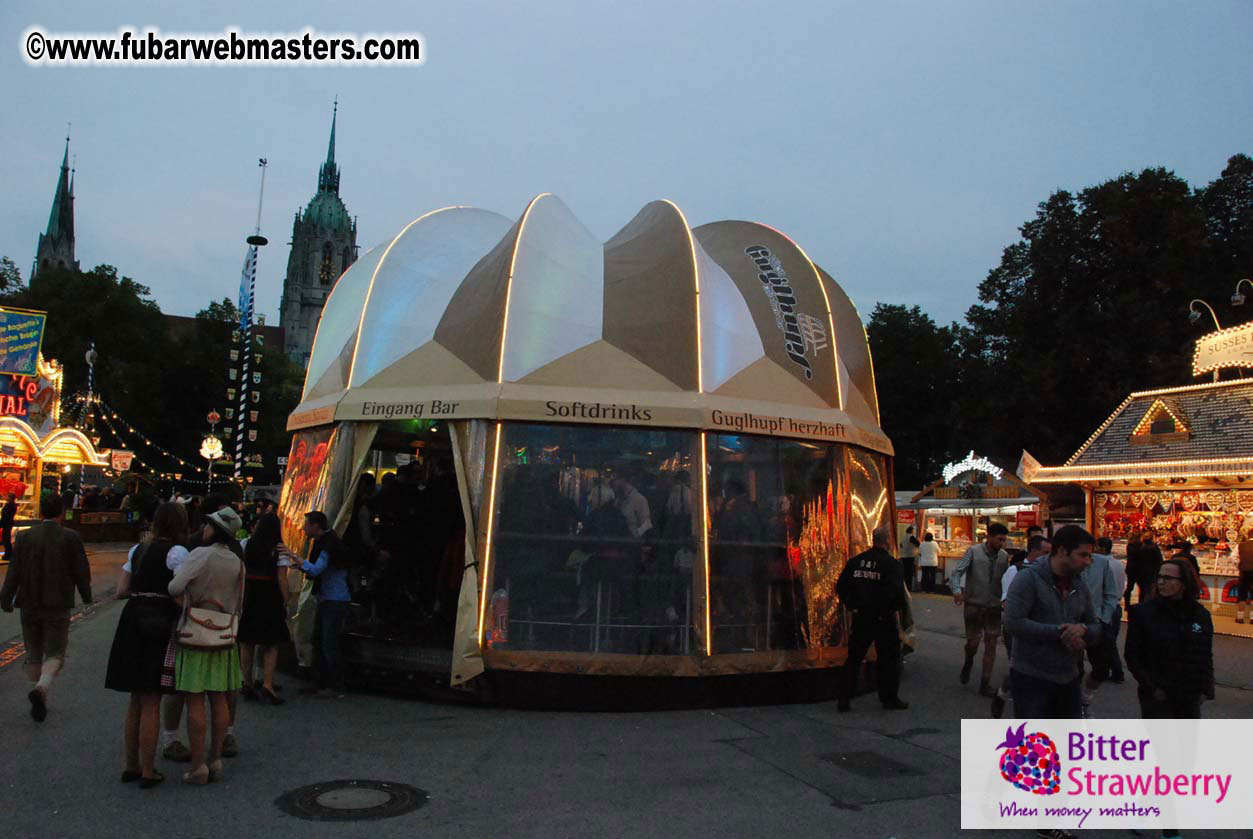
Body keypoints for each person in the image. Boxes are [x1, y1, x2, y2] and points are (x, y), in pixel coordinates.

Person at [1124, 557, 1214, 839]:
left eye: (1169, 578)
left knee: (1184, 761)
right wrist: (1153, 686)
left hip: (1188, 695)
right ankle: (1170, 828)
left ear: (1184, 583)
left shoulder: (1200, 615)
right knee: (1167, 761)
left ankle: (1144, 806)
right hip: (1157, 697)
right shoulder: (1144, 613)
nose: (1162, 582)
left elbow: (1205, 654)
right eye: (1160, 577)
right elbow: (1133, 657)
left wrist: (1205, 688)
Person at [104, 502, 190, 788]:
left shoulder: (137, 550)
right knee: (152, 697)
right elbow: (181, 592)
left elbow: (121, 590)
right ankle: (149, 770)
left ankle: (131, 765)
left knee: (135, 698)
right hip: (159, 621)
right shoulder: (177, 553)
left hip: (132, 619)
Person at [161, 494, 244, 763]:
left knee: (194, 696)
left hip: (195, 631)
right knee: (219, 696)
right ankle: (216, 758)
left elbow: (174, 587)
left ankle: (198, 764)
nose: (204, 528)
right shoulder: (236, 561)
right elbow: (239, 601)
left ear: (214, 529)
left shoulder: (200, 554)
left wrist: (188, 597)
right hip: (223, 632)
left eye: (209, 524)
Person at [0, 494, 91, 722]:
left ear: (41, 512)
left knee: (33, 652)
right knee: (55, 652)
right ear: (62, 512)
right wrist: (86, 595)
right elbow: (81, 570)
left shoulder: (24, 537)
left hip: (29, 602)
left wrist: (6, 598)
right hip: (58, 603)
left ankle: (37, 691)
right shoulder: (71, 537)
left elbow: (14, 571)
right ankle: (42, 688)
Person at [1004, 525, 1099, 719]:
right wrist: (1060, 632)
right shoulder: (1028, 579)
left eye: (1090, 556)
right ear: (1063, 551)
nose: (1088, 562)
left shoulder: (1080, 585)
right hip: (1032, 678)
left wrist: (1083, 630)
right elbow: (1013, 622)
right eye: (1083, 555)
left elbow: (1094, 625)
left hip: (1069, 677)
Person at [835, 526, 907, 712]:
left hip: (862, 617)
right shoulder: (892, 565)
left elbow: (841, 586)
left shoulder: (856, 562)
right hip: (884, 618)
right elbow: (895, 593)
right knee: (888, 660)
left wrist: (852, 605)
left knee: (854, 658)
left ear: (873, 540)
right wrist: (893, 611)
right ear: (888, 541)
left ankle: (844, 698)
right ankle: (889, 698)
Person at [293, 511, 351, 697]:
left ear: (316, 526)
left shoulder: (327, 546)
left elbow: (317, 569)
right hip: (330, 597)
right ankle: (322, 682)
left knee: (328, 643)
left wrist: (298, 560)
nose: (304, 528)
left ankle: (335, 684)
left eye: (307, 525)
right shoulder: (329, 542)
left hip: (334, 598)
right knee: (320, 641)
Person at [990, 537, 1048, 718]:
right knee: (1019, 666)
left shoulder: (1049, 572)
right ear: (1033, 551)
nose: (1048, 556)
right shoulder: (1015, 570)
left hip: (1041, 627)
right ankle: (1004, 693)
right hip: (1019, 627)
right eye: (1045, 552)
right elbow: (1006, 601)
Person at [237, 512, 291, 705]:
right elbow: (282, 578)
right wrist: (287, 600)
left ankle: (247, 682)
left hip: (250, 594)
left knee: (247, 641)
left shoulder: (246, 544)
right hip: (270, 595)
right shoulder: (279, 549)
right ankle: (268, 684)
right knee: (271, 642)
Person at [949, 522, 1009, 697]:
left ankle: (985, 683)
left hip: (994, 606)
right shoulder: (973, 552)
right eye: (999, 539)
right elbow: (957, 572)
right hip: (974, 604)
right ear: (989, 537)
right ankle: (969, 659)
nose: (1002, 543)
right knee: (973, 642)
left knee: (991, 644)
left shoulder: (1003, 556)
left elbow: (1006, 579)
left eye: (1004, 540)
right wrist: (956, 591)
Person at [1078, 534, 1121, 717]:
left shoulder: (1102, 563)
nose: (1087, 556)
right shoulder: (1066, 564)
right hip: (1071, 622)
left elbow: (1111, 593)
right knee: (1073, 669)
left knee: (1102, 667)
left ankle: (1085, 697)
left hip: (1097, 622)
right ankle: (1075, 707)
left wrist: (1104, 617)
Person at [1095, 537, 1126, 683]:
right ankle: (1109, 670)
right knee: (1109, 641)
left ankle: (1116, 671)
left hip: (1107, 606)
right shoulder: (1118, 563)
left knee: (1107, 642)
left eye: (1096, 547)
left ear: (1102, 548)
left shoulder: (1102, 565)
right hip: (1116, 605)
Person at [1125, 530, 1162, 608]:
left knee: (1130, 588)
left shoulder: (1131, 546)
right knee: (1142, 589)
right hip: (1141, 571)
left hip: (1132, 570)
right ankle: (1140, 604)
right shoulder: (1143, 547)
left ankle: (1127, 605)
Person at [1237, 536, 1253, 624]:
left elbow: (1233, 557)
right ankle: (1252, 618)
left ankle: (1240, 617)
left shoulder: (1241, 545)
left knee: (1242, 595)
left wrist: (1240, 566)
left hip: (1244, 572)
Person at [898, 526, 920, 592]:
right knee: (909, 572)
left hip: (903, 556)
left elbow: (901, 545)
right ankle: (909, 587)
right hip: (910, 556)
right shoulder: (911, 537)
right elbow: (918, 544)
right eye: (913, 530)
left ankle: (904, 587)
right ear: (911, 531)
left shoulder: (904, 537)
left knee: (905, 572)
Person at [1, 492, 17, 558]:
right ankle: (8, 553)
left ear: (10, 498)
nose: (6, 497)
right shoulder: (13, 505)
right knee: (6, 539)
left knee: (6, 539)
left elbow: (5, 515)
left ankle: (8, 554)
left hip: (6, 524)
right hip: (8, 524)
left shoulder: (9, 505)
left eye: (7, 496)